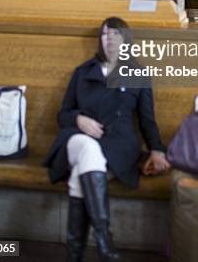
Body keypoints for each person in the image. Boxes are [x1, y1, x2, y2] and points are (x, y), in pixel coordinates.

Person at [44, 17, 169, 262]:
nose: (109, 39)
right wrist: (80, 120)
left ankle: (76, 253)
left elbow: (147, 121)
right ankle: (104, 243)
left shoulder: (137, 74)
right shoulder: (83, 73)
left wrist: (157, 149)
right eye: (105, 35)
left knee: (83, 171)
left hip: (118, 146)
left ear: (126, 41)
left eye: (116, 35)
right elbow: (63, 115)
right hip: (76, 139)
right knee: (88, 148)